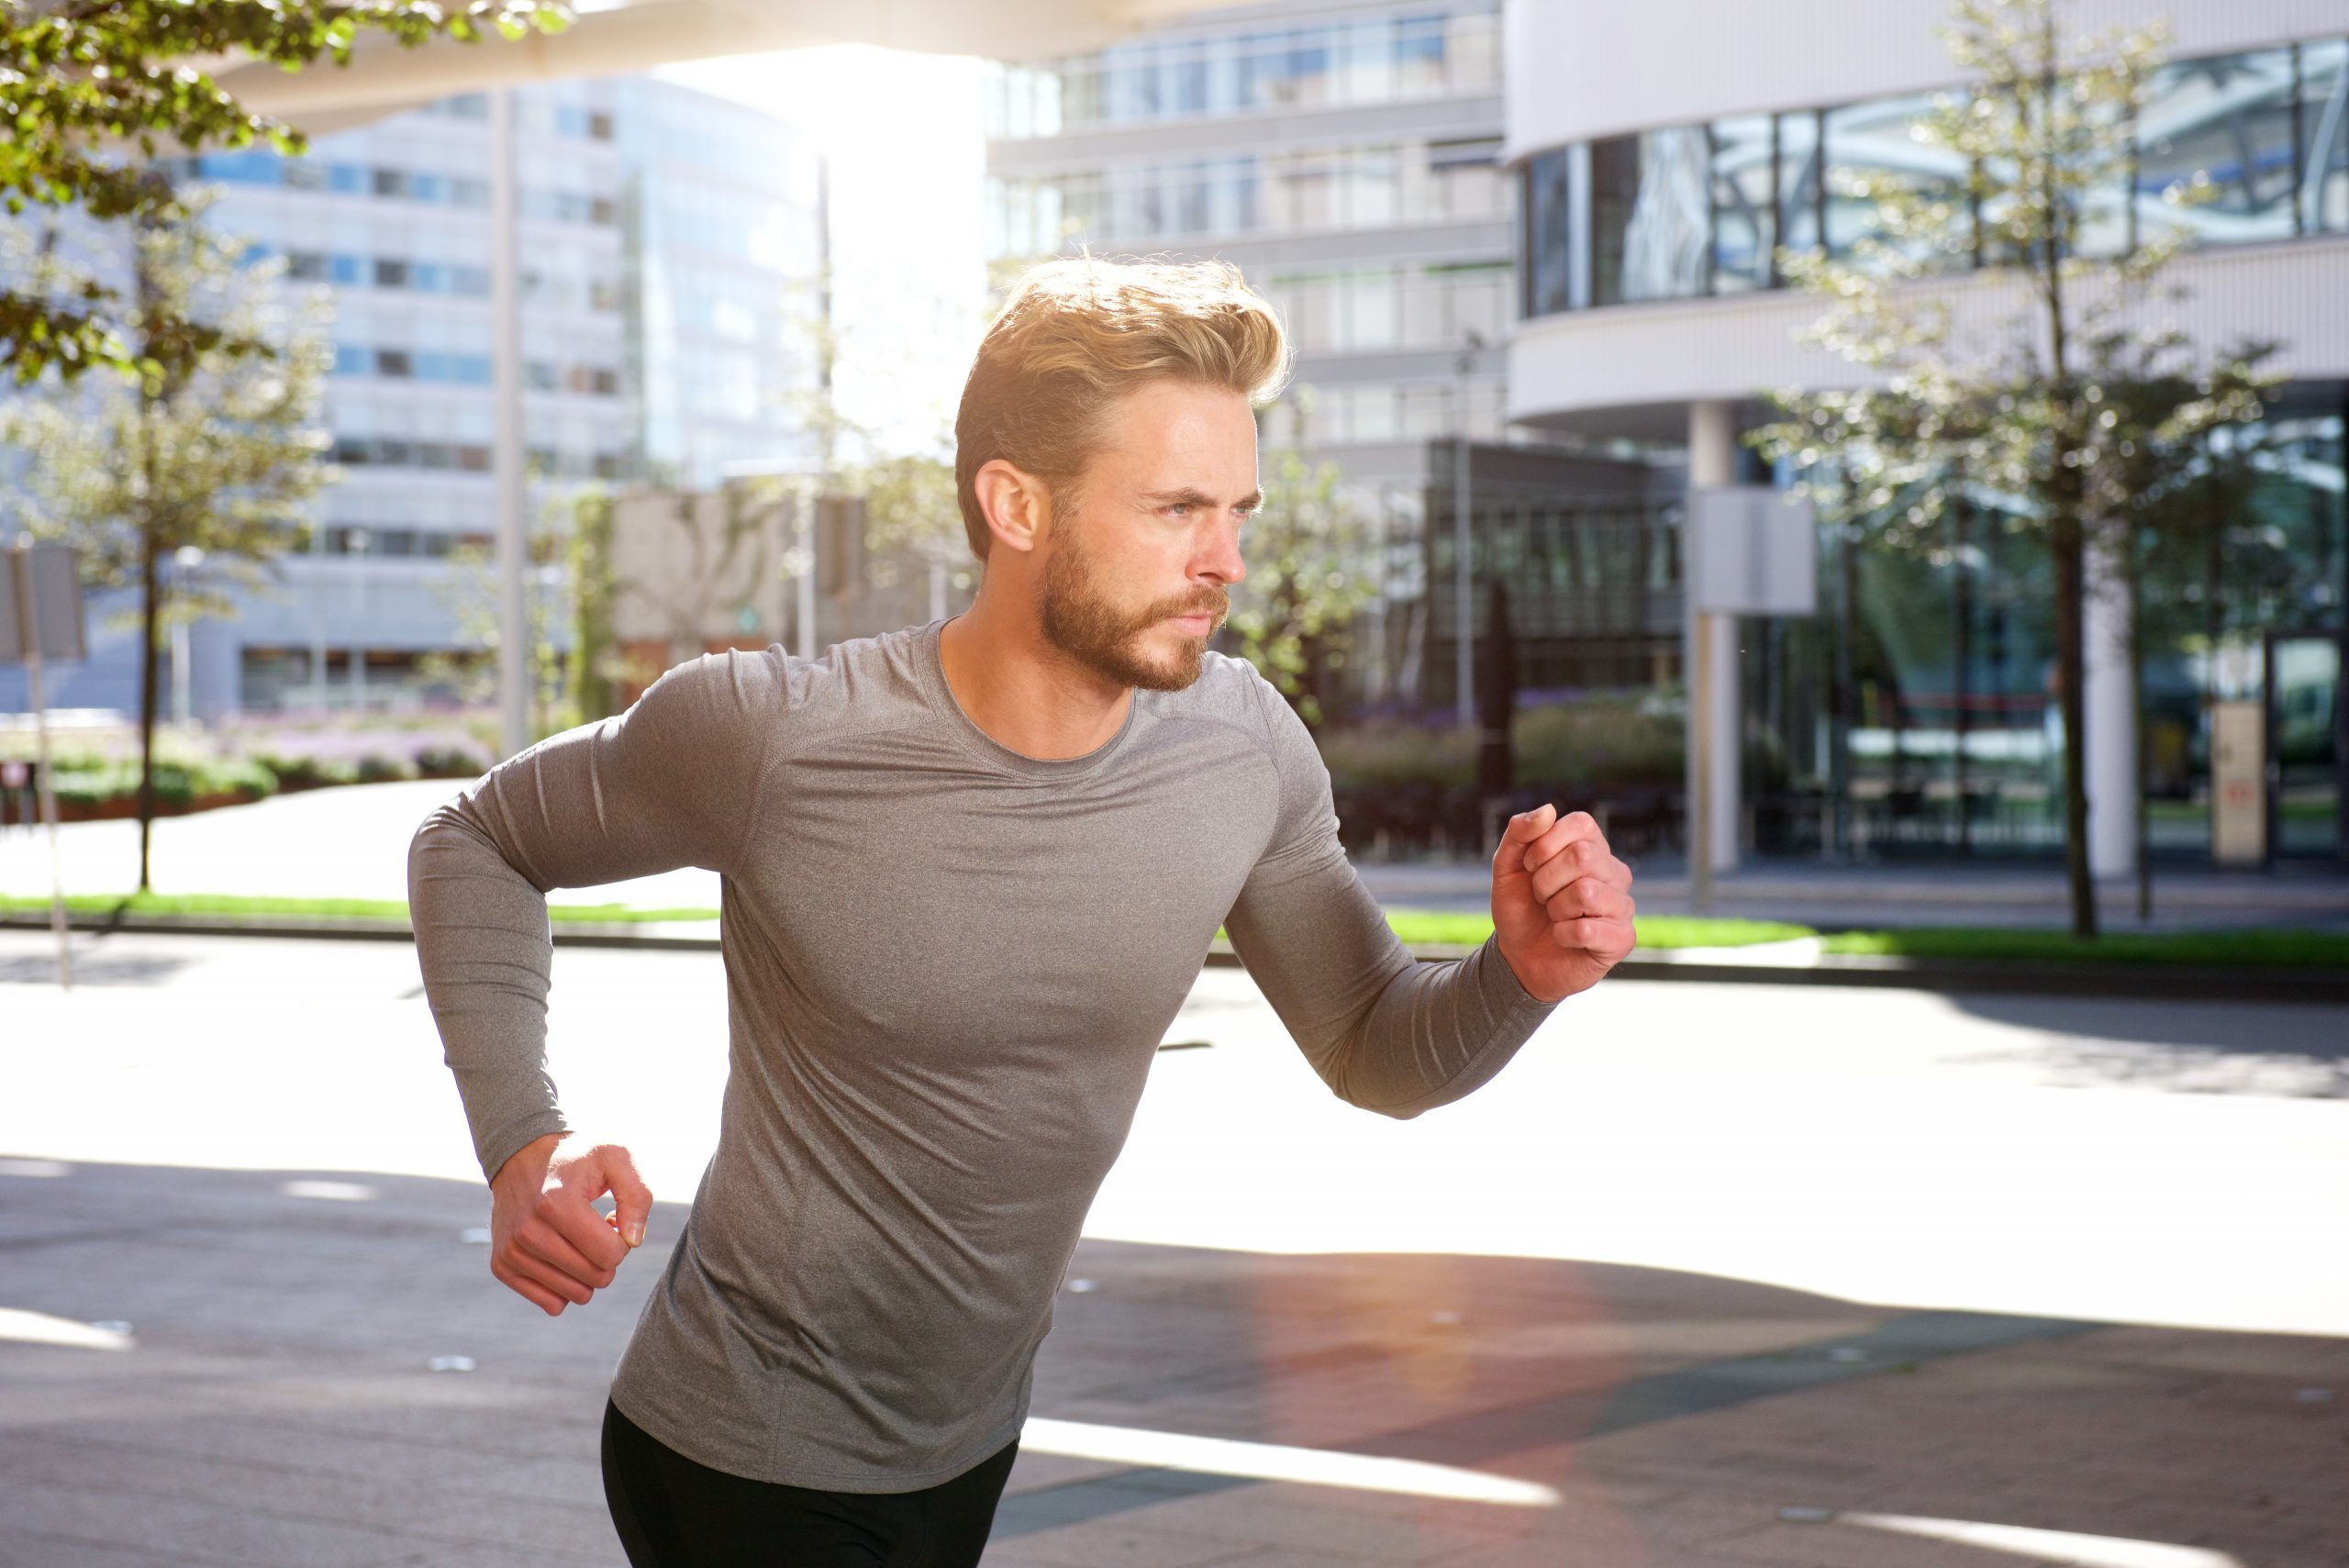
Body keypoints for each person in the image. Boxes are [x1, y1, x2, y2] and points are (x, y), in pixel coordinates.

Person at [406, 255, 1636, 1568]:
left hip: (966, 1447)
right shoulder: (779, 737)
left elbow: (1373, 1044)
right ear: (1016, 503)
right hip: (736, 1449)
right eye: (1175, 509)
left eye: (1237, 512)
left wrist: (1520, 970)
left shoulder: (1244, 749)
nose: (1224, 562)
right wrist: (523, 1142)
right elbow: (473, 836)